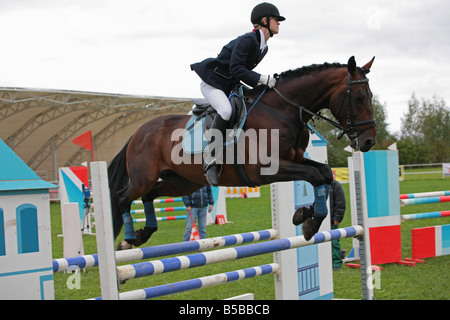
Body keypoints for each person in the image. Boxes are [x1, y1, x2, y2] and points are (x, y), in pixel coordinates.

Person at [190, 2, 285, 186]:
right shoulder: (248, 40)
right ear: (265, 21)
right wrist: (262, 79)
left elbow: (240, 72)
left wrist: (263, 84)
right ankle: (210, 159)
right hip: (213, 83)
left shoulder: (263, 46)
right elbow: (236, 68)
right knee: (225, 111)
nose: (279, 23)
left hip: (229, 84)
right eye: (276, 20)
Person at [329, 179, 346, 270]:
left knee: (334, 242)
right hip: (319, 220)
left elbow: (340, 202)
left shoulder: (335, 185)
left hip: (332, 220)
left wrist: (337, 218)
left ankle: (337, 264)